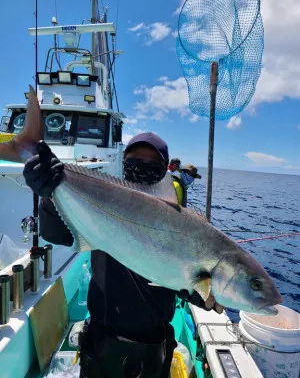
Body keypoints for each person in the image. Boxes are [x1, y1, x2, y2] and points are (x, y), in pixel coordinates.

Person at [23, 133, 221, 378]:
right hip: (101, 345)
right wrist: (48, 196)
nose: (142, 167)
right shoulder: (103, 204)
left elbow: (186, 281)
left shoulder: (181, 228)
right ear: (124, 163)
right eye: (134, 160)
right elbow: (55, 234)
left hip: (153, 349)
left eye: (151, 162)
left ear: (164, 169)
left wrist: (207, 294)